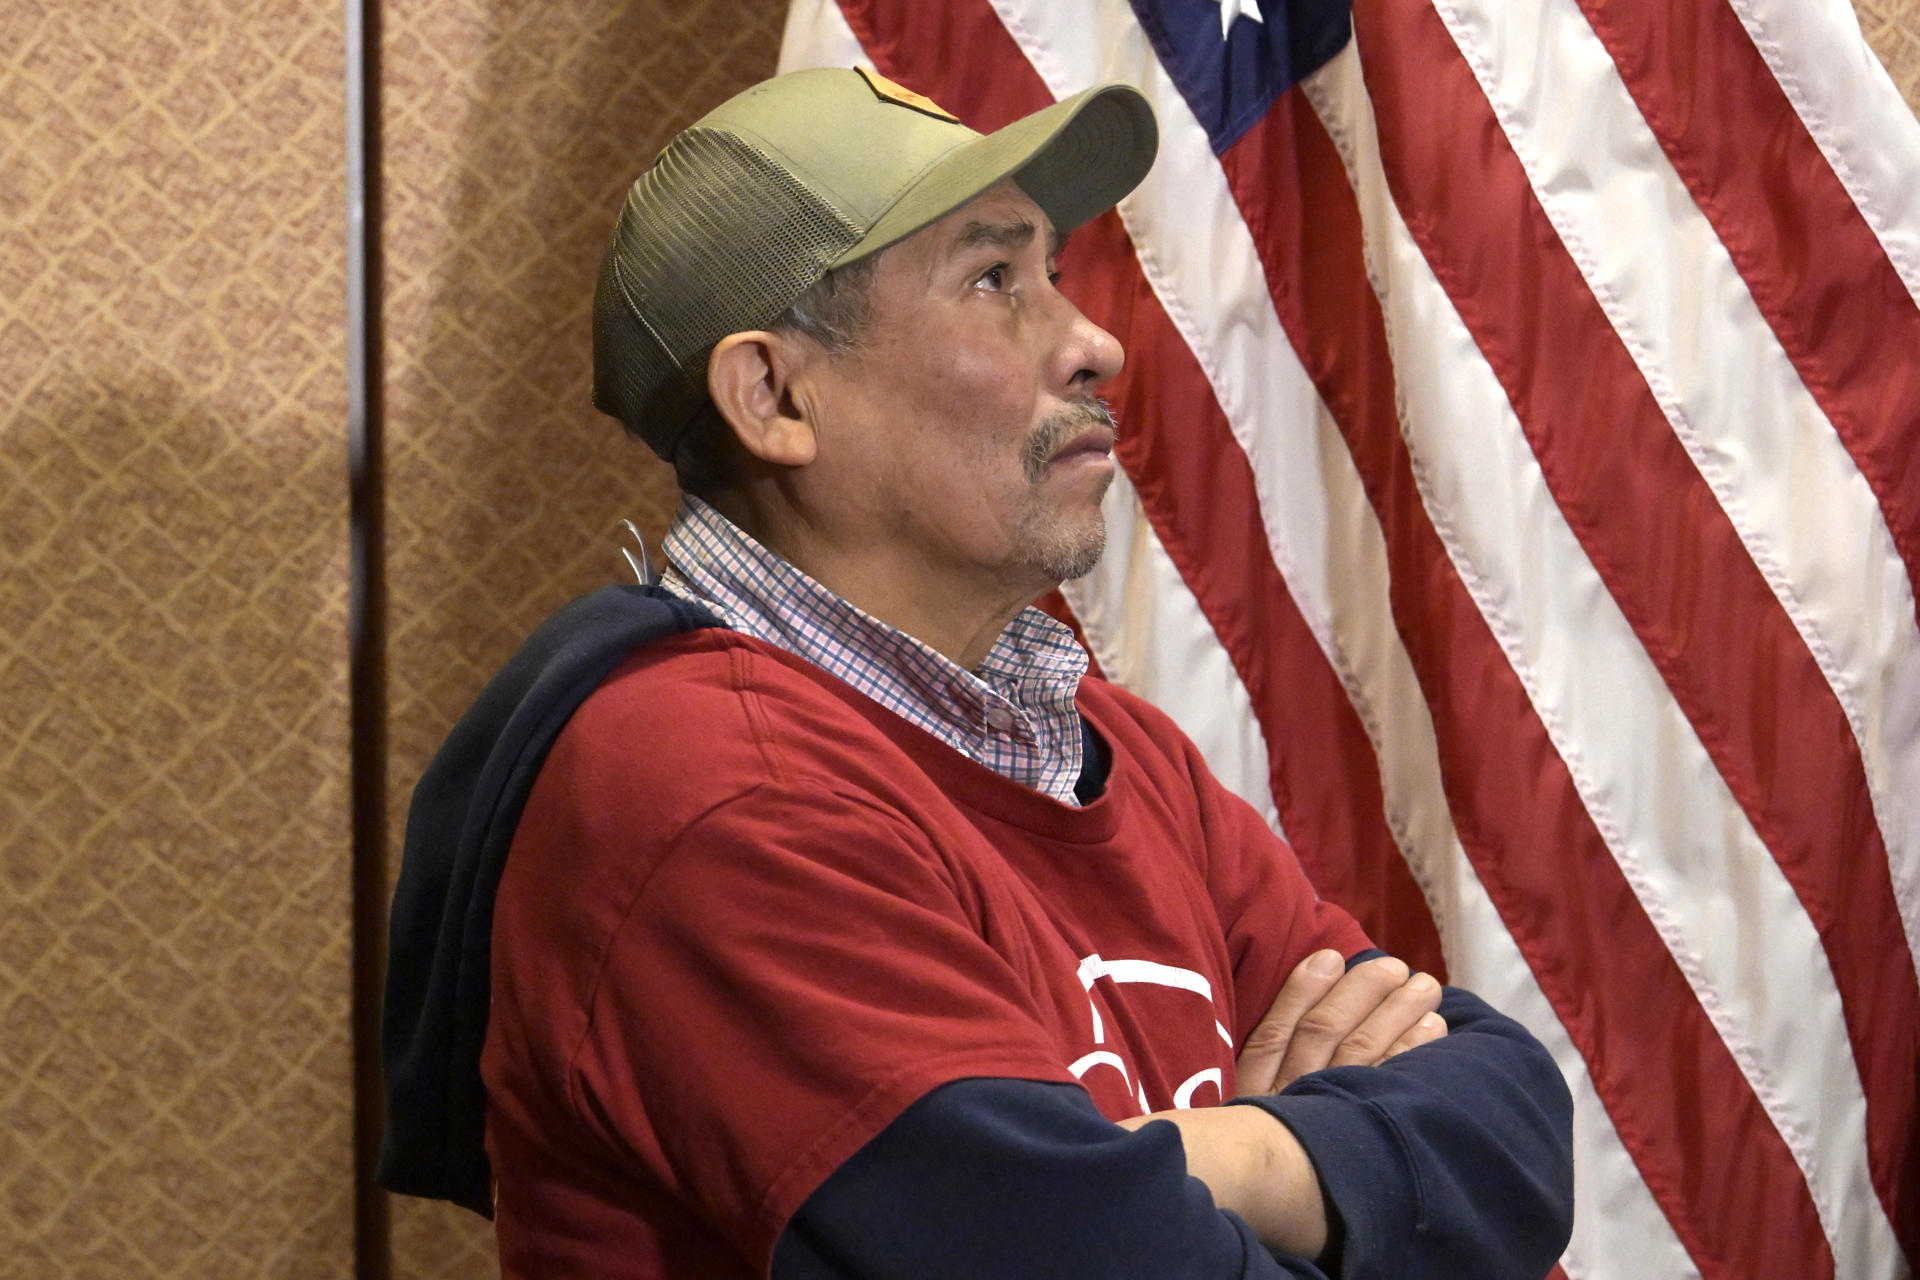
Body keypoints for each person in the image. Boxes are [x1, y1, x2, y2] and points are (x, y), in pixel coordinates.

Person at [379, 66, 1574, 1279]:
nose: (1096, 340)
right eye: (994, 281)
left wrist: (1216, 1158)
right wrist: (1345, 1188)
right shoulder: (713, 789)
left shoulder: (1113, 748)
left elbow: (1515, 1125)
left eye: (1052, 271)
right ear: (774, 393)